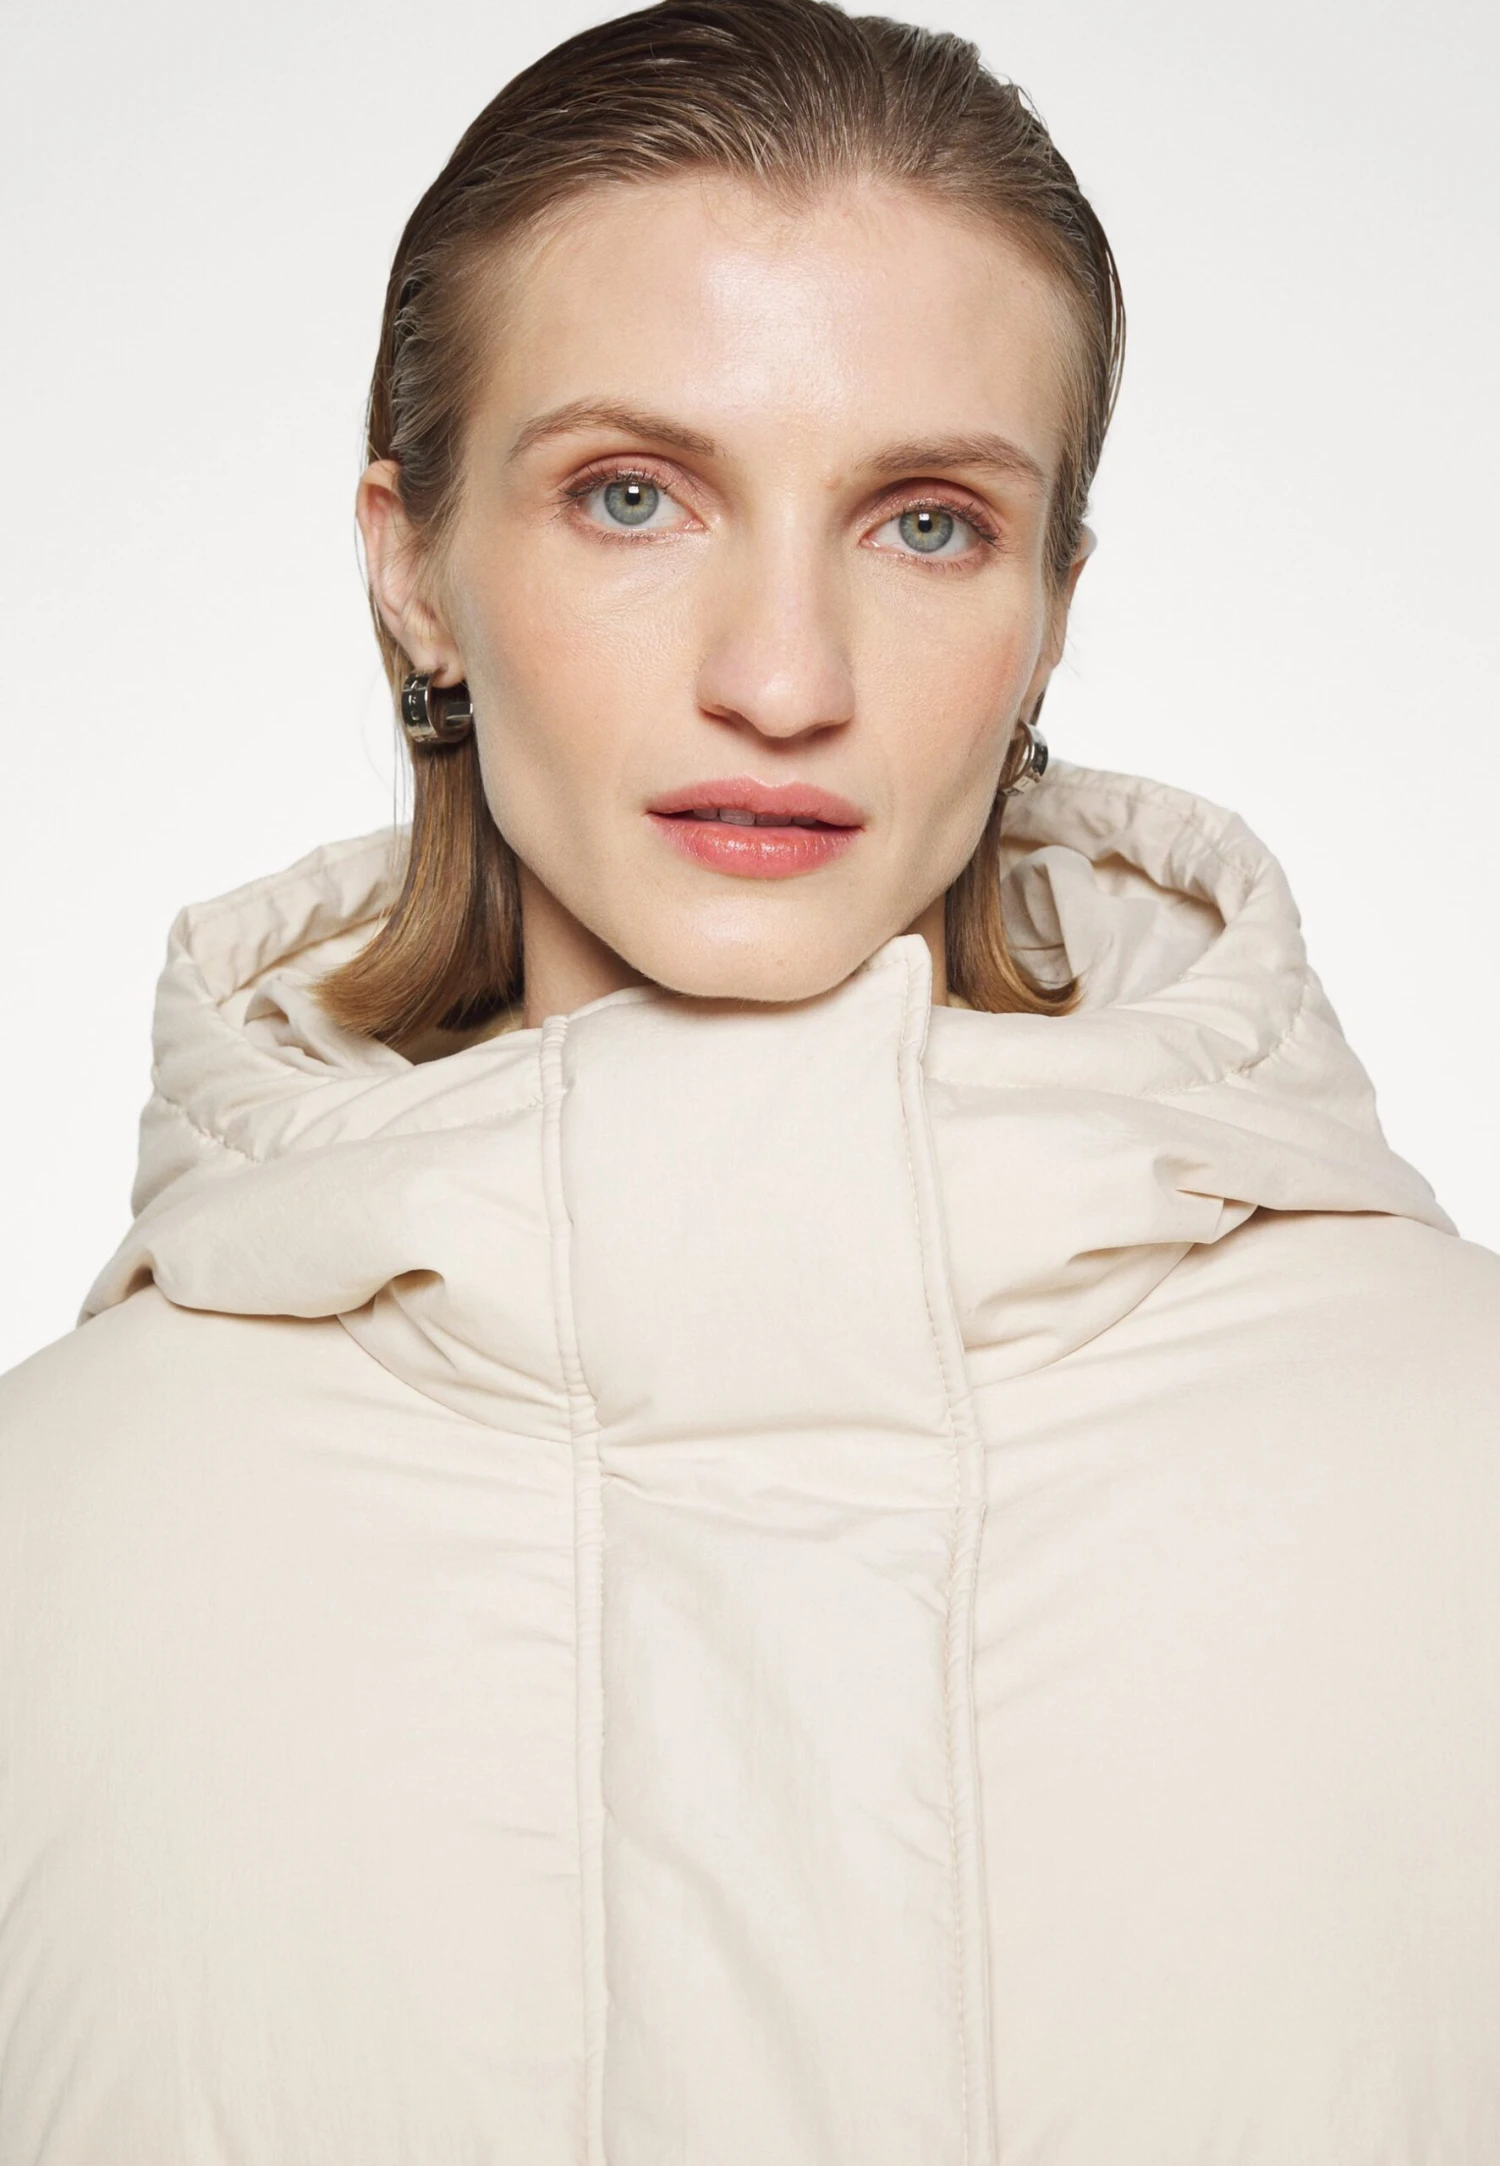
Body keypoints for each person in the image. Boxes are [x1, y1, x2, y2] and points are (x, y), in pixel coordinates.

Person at [1, 0, 1496, 2159]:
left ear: (1051, 606)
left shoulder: (1463, 1464)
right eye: (633, 497)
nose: (781, 679)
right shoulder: (50, 1552)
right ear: (415, 568)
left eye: (927, 524)